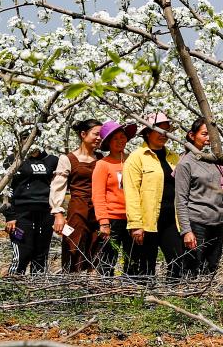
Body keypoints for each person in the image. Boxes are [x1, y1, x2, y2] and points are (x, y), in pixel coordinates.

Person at [122, 112, 184, 279]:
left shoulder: (174, 158)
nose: (164, 135)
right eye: (159, 131)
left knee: (178, 260)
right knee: (145, 266)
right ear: (148, 133)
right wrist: (136, 224)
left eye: (166, 131)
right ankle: (144, 300)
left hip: (171, 219)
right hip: (147, 220)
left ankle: (172, 297)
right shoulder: (136, 158)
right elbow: (131, 192)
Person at [174, 117, 223, 277]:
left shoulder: (216, 160)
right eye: (204, 134)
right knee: (192, 269)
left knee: (211, 269)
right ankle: (190, 301)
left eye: (211, 134)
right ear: (191, 135)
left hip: (217, 224)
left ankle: (208, 301)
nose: (208, 138)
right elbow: (180, 200)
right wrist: (186, 231)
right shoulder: (185, 164)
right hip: (197, 224)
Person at [50, 118, 104, 273]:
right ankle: (72, 284)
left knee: (96, 244)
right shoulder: (68, 159)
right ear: (83, 134)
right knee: (74, 243)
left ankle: (94, 285)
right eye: (96, 134)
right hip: (78, 208)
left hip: (98, 209)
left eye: (101, 135)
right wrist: (58, 213)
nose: (99, 138)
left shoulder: (101, 159)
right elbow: (57, 187)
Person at [2, 131, 59, 274]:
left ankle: (37, 287)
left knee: (41, 252)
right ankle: (14, 285)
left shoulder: (52, 160)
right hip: (21, 213)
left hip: (46, 212)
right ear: (20, 142)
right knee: (23, 251)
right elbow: (5, 190)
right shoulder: (13, 160)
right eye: (26, 140)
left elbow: (57, 185)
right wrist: (10, 216)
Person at [92, 119, 137, 276]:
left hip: (133, 217)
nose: (120, 141)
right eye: (115, 138)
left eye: (122, 137)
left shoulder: (133, 160)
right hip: (112, 217)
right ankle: (105, 290)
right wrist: (103, 222)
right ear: (108, 142)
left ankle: (130, 290)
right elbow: (98, 195)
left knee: (132, 257)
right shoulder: (103, 164)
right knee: (109, 257)